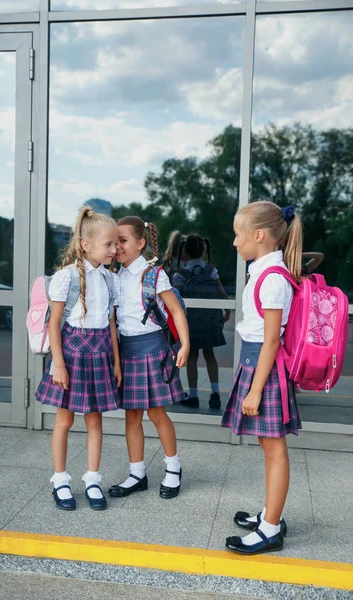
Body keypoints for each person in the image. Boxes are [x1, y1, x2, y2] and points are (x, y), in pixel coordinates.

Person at [221, 201, 302, 555]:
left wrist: (254, 391)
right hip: (258, 365)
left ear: (258, 235)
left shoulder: (272, 279)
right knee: (268, 446)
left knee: (274, 448)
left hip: (266, 370)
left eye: (239, 235)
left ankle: (271, 529)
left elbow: (272, 340)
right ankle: (271, 515)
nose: (235, 243)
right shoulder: (264, 271)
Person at [35, 206, 121, 512]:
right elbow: (54, 324)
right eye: (109, 244)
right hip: (71, 354)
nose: (115, 249)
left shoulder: (111, 279)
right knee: (64, 419)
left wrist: (116, 361)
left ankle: (93, 479)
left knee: (95, 418)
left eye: (115, 244)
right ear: (86, 245)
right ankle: (60, 479)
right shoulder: (66, 277)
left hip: (99, 354)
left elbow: (111, 322)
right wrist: (58, 363)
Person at [108, 217, 189, 500]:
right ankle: (137, 473)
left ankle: (173, 468)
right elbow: (114, 323)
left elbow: (176, 311)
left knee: (156, 412)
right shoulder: (115, 277)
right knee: (132, 415)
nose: (117, 246)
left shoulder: (154, 275)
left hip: (153, 349)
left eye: (123, 240)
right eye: (115, 241)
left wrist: (185, 345)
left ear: (140, 243)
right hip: (128, 350)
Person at [172, 234, 230, 410]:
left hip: (191, 320)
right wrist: (226, 310)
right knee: (210, 355)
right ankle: (215, 394)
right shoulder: (211, 270)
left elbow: (175, 299)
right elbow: (221, 292)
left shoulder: (180, 274)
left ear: (185, 251)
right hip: (210, 319)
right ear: (203, 250)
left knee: (192, 358)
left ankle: (194, 395)